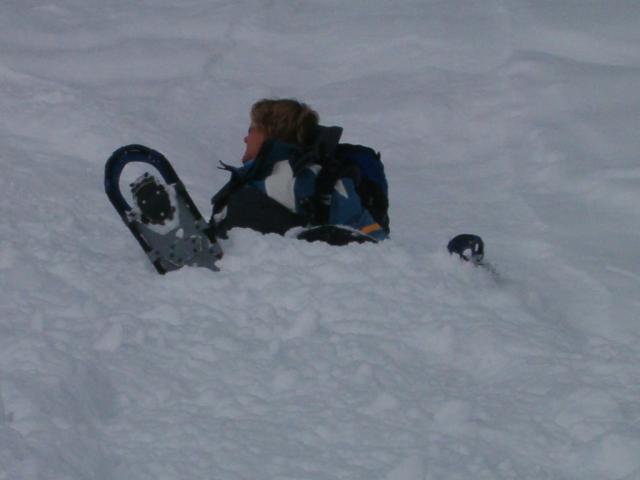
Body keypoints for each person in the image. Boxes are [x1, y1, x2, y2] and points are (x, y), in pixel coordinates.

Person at [210, 98, 388, 243]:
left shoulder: (301, 177)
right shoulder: (253, 179)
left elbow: (370, 240)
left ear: (267, 133)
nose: (245, 138)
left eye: (251, 130)